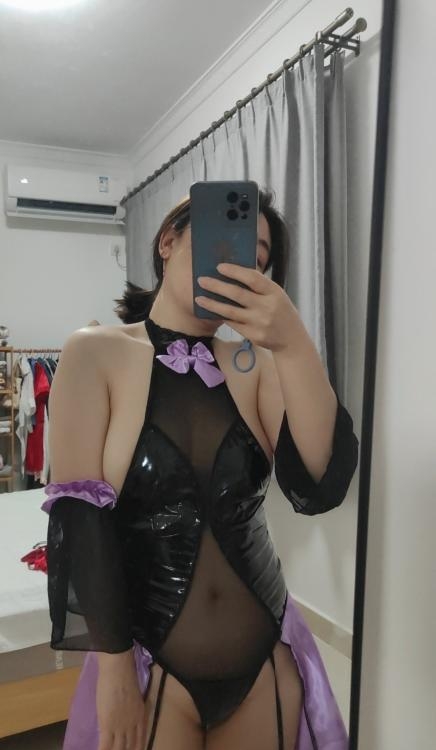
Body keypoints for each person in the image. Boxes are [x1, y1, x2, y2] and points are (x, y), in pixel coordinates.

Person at [42, 188, 359, 750]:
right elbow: (81, 522)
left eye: (255, 259)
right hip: (148, 662)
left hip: (265, 657)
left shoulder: (258, 366)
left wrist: (292, 343)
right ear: (168, 241)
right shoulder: (95, 353)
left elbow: (319, 483)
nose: (236, 264)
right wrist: (114, 669)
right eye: (223, 242)